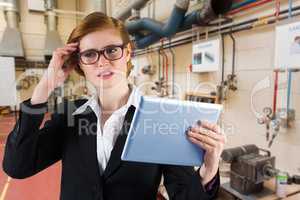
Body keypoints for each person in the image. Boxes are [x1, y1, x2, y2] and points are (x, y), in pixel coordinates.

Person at [2, 12, 226, 200]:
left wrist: (208, 170)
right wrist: (44, 88)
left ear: (127, 52)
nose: (102, 61)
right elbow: (18, 166)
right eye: (90, 54)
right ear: (79, 63)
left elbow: (184, 195)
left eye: (111, 50)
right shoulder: (69, 114)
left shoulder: (160, 117)